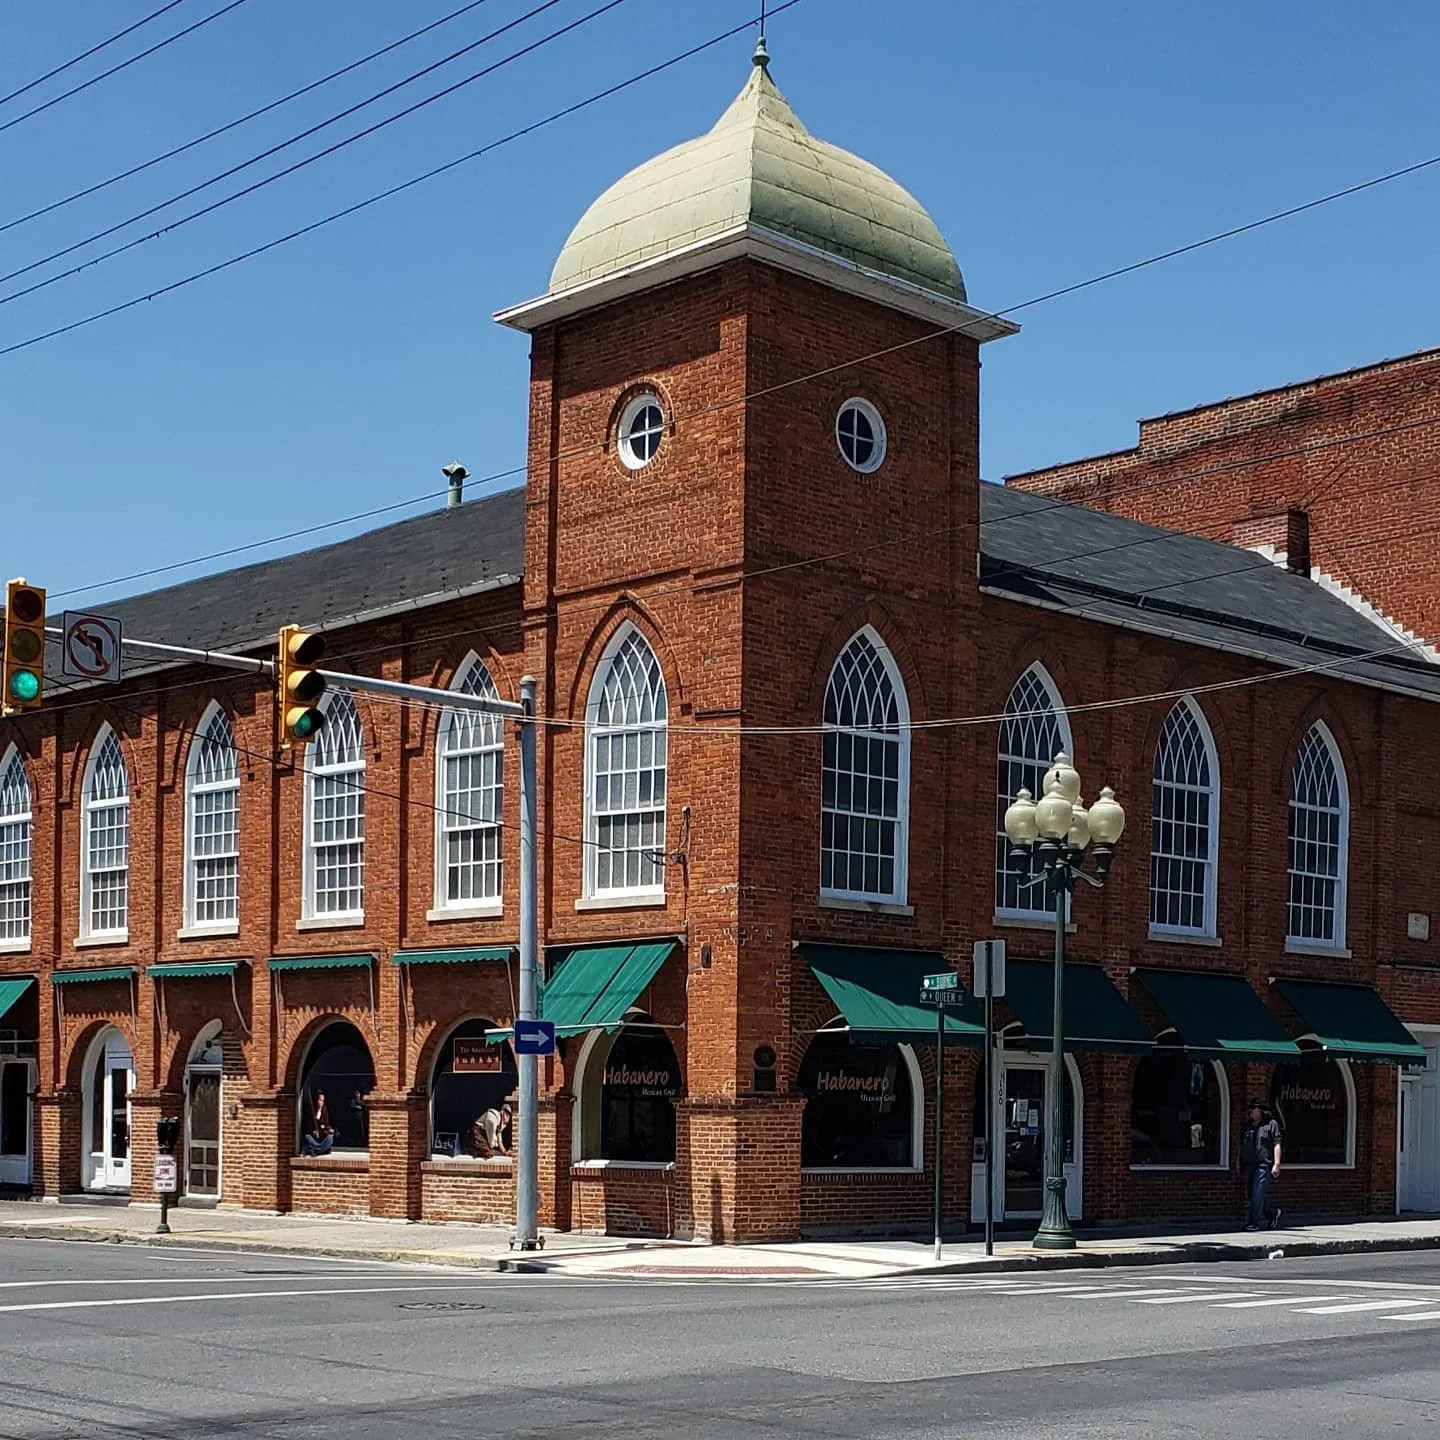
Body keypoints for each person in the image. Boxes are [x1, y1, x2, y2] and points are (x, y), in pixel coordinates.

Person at [1239, 1099, 1283, 1230]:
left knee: (1257, 1193)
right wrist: (1237, 1161)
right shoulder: (1247, 1126)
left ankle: (1253, 1223)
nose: (1250, 1111)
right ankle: (1272, 1213)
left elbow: (1277, 1144)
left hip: (1263, 1164)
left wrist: (1277, 1164)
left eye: (1254, 1108)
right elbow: (1241, 1145)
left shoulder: (1271, 1124)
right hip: (1248, 1164)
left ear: (1261, 1110)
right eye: (1250, 1108)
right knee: (1253, 1194)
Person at [301, 1092, 334, 1157]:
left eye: (322, 1101)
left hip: (322, 1136)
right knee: (307, 1138)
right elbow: (308, 1126)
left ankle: (316, 1151)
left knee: (330, 1138)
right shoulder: (312, 1112)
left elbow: (327, 1125)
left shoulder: (325, 1112)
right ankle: (321, 1150)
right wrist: (313, 1131)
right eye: (320, 1100)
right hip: (314, 1138)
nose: (321, 1103)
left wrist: (327, 1130)